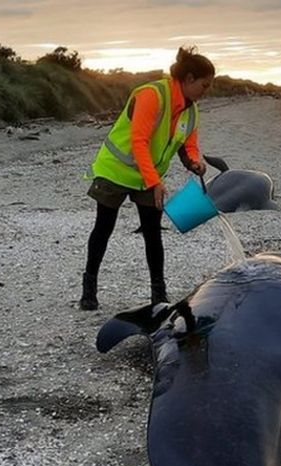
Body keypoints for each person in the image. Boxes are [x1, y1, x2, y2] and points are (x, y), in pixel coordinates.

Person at [79, 46, 215, 311]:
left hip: (147, 176)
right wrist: (155, 182)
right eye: (204, 85)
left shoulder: (191, 110)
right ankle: (89, 288)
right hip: (115, 171)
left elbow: (188, 144)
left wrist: (194, 162)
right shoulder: (152, 95)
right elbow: (139, 141)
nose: (205, 91)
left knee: (153, 233)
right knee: (104, 227)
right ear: (188, 79)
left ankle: (159, 295)